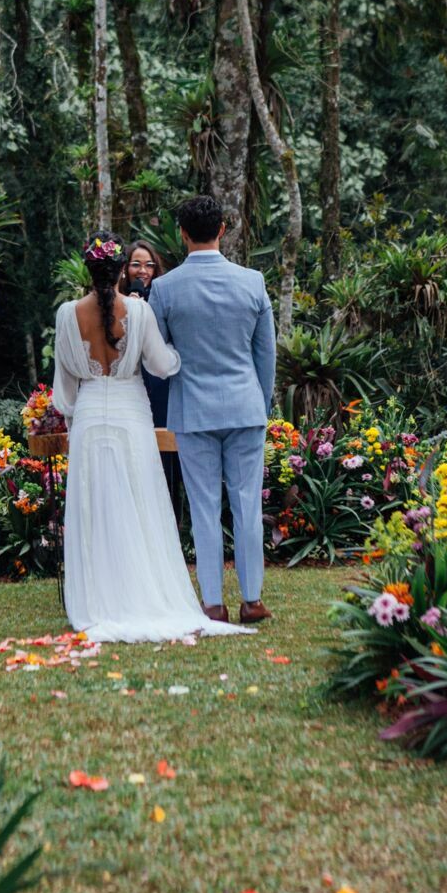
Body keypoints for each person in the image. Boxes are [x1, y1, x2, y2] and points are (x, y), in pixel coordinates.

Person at [51, 232, 253, 643]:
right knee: (140, 506)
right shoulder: (140, 312)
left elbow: (64, 392)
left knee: (96, 508)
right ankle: (144, 592)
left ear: (88, 270)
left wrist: (80, 406)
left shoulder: (66, 313)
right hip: (131, 415)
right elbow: (162, 365)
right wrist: (182, 354)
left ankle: (100, 600)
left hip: (90, 417)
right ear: (122, 269)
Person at [148, 195, 275, 625]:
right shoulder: (253, 282)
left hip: (193, 410)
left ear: (181, 233)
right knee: (246, 506)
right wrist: (262, 403)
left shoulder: (163, 289)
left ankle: (212, 603)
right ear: (222, 228)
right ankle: (252, 599)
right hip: (245, 406)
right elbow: (266, 356)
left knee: (203, 508)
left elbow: (159, 357)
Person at [119, 239, 182, 517]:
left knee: (166, 446)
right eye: (136, 264)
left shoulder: (164, 298)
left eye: (148, 265)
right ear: (125, 269)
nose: (142, 271)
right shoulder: (117, 300)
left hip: (160, 380)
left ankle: (173, 511)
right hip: (130, 381)